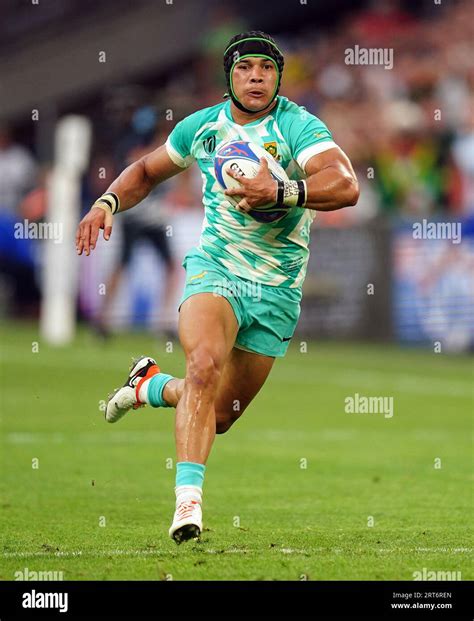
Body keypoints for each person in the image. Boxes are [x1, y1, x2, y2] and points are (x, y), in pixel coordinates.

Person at [76, 31, 359, 544]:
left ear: (278, 77)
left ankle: (149, 387)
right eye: (246, 67)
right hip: (217, 269)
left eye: (267, 68)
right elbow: (145, 171)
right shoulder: (202, 128)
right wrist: (106, 204)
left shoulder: (298, 126)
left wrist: (281, 189)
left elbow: (346, 185)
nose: (256, 76)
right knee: (203, 366)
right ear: (229, 76)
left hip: (276, 288)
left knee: (219, 413)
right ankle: (188, 505)